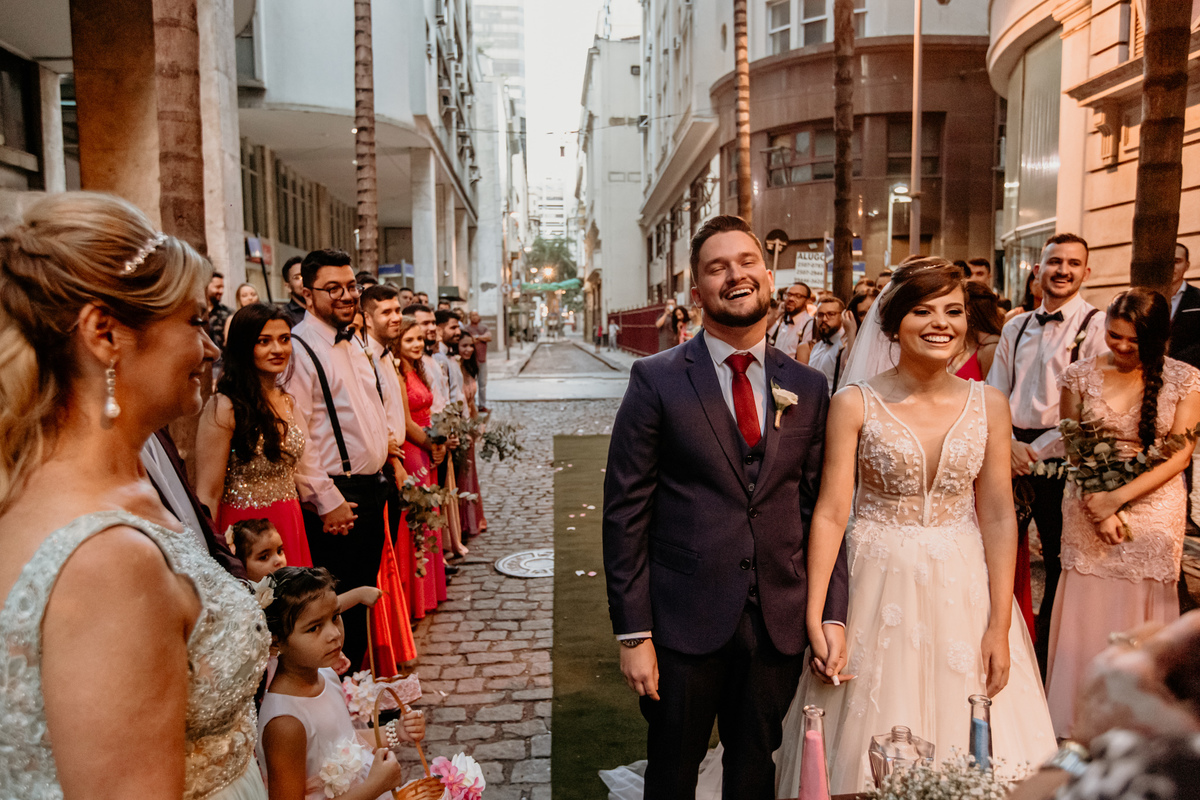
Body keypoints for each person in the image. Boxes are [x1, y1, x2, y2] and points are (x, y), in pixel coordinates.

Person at [0, 191, 269, 798]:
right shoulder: (107, 561)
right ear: (104, 334)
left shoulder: (93, 482)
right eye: (195, 322)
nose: (212, 347)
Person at [781, 259, 1055, 795]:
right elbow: (833, 512)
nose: (941, 323)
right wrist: (817, 615)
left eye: (953, 311)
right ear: (893, 325)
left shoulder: (989, 405)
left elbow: (998, 513)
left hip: (964, 584)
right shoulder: (854, 402)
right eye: (923, 311)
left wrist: (1000, 622)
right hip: (876, 582)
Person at [602, 215, 846, 800]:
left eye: (745, 262)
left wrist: (831, 612)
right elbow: (625, 512)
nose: (735, 276)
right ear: (697, 292)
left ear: (767, 273)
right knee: (672, 772)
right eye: (717, 268)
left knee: (755, 771)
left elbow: (823, 510)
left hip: (776, 622)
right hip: (682, 621)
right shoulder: (656, 379)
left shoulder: (808, 387)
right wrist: (634, 633)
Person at [1045, 288, 1200, 737]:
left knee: (1142, 607)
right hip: (1088, 501)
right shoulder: (1078, 375)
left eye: (1136, 341)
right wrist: (1100, 505)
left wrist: (1118, 499)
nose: (1124, 347)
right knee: (1086, 601)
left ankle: (1139, 718)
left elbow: (1179, 455)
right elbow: (1074, 445)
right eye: (1115, 336)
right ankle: (1075, 717)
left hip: (1154, 504)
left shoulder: (1185, 378)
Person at [987, 233, 1108, 666]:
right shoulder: (1015, 325)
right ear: (1038, 270)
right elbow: (994, 392)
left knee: (1058, 556)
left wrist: (1034, 451)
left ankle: (1044, 654)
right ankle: (1000, 636)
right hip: (1008, 452)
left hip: (1061, 456)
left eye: (1073, 263)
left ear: (1085, 272)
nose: (1063, 270)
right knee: (995, 550)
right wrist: (1007, 446)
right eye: (1055, 262)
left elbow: (1091, 406)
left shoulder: (1096, 325)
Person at [286, 248, 392, 669]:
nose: (346, 295)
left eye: (351, 286)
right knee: (336, 610)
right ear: (307, 294)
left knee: (363, 597)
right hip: (339, 497)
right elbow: (298, 435)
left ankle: (358, 696)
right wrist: (325, 499)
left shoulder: (354, 342)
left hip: (371, 486)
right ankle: (340, 704)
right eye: (333, 289)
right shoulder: (300, 348)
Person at [257, 567, 425, 800]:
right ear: (276, 641)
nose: (334, 633)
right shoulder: (286, 723)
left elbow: (344, 741)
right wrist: (373, 788)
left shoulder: (326, 673)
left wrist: (396, 731)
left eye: (335, 617)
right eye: (314, 627)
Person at [196, 303, 312, 570]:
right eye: (264, 341)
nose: (278, 349)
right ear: (244, 346)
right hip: (246, 533)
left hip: (290, 523)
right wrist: (211, 557)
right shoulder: (224, 406)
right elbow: (208, 493)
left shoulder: (288, 402)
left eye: (284, 339)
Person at [359, 284, 419, 669]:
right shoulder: (363, 356)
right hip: (380, 466)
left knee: (394, 555)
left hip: (395, 461)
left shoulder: (387, 357)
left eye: (398, 310)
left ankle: (394, 641)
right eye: (385, 312)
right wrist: (392, 457)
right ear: (367, 317)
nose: (395, 317)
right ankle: (379, 651)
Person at [394, 315, 448, 617]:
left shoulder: (415, 369)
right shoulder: (397, 372)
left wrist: (437, 443)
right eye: (409, 339)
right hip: (413, 448)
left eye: (419, 339)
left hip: (427, 447)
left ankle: (430, 593)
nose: (416, 344)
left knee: (431, 517)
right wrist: (431, 444)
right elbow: (405, 421)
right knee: (419, 519)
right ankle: (416, 598)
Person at [455, 331, 488, 538]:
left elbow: (472, 404)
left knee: (469, 474)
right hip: (459, 427)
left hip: (470, 426)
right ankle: (462, 521)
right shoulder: (453, 368)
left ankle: (472, 519)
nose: (468, 350)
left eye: (470, 346)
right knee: (461, 475)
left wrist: (478, 426)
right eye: (463, 346)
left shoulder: (469, 368)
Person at [950, 281, 1004, 381]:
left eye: (954, 309)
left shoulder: (990, 347)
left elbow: (992, 391)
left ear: (968, 310)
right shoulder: (958, 342)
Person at [797, 296, 850, 395]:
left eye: (831, 314)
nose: (824, 319)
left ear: (842, 316)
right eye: (820, 315)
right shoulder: (817, 346)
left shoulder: (846, 347)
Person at [1167, 243, 1200, 369]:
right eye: (1167, 261)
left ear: (1187, 265)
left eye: (1176, 261)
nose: (1170, 267)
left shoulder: (1197, 299)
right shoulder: (1147, 298)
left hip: (1190, 374)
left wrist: (1174, 362)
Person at [767, 282, 813, 359]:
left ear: (807, 301)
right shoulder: (782, 321)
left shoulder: (810, 324)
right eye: (788, 295)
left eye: (798, 296)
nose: (791, 299)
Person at [464, 310, 492, 410]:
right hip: (470, 360)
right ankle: (471, 405)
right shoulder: (466, 328)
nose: (475, 317)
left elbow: (488, 337)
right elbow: (467, 339)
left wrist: (477, 337)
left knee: (482, 384)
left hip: (482, 359)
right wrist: (480, 338)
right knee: (470, 384)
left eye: (476, 315)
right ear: (469, 317)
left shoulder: (484, 327)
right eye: (472, 315)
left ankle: (482, 405)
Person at [208, 269, 232, 350]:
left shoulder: (228, 313)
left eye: (222, 287)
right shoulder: (197, 312)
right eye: (218, 287)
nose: (221, 291)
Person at [282, 255, 308, 325]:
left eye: (307, 275)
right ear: (288, 287)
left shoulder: (324, 309)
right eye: (298, 277)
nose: (304, 281)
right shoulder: (284, 316)